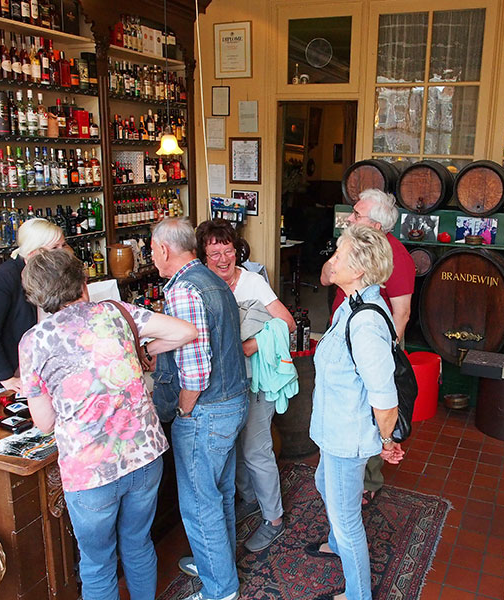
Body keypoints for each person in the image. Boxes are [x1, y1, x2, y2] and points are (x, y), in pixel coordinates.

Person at [19, 248, 199, 600]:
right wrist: (143, 352)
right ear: (82, 282)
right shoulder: (116, 314)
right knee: (138, 544)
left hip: (89, 472)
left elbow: (43, 423)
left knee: (98, 562)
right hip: (144, 455)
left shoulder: (33, 343)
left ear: (35, 295)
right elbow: (186, 331)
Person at [150, 217, 248, 600]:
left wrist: (186, 412)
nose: (151, 255)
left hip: (207, 411)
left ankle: (220, 588)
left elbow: (195, 369)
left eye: (152, 248)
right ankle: (217, 561)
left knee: (198, 504)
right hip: (234, 400)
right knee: (219, 492)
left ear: (164, 249)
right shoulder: (209, 278)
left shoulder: (183, 290)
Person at [308, 225, 405, 600]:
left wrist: (386, 440)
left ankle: (358, 594)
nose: (332, 260)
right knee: (323, 484)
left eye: (339, 254)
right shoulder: (350, 304)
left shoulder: (364, 322)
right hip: (335, 428)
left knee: (347, 520)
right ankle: (336, 540)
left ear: (360, 270)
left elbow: (384, 397)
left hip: (347, 436)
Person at [195, 219, 296, 553]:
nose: (223, 259)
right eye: (215, 253)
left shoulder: (252, 282)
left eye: (228, 250)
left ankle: (274, 520)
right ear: (203, 256)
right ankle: (250, 498)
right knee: (235, 448)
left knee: (256, 449)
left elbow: (287, 323)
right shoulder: (203, 285)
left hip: (255, 380)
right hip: (223, 384)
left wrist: (250, 346)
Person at [321, 188, 415, 506]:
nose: (350, 217)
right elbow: (325, 278)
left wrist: (382, 357)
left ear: (375, 224)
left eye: (357, 214)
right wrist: (335, 262)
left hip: (368, 347)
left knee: (370, 411)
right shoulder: (351, 248)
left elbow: (401, 313)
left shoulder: (396, 256)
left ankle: (367, 481)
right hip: (345, 339)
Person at [0, 218, 66, 392]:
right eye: (55, 248)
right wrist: (6, 378)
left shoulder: (50, 274)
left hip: (25, 369)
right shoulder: (3, 279)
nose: (62, 253)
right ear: (35, 253)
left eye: (63, 246)